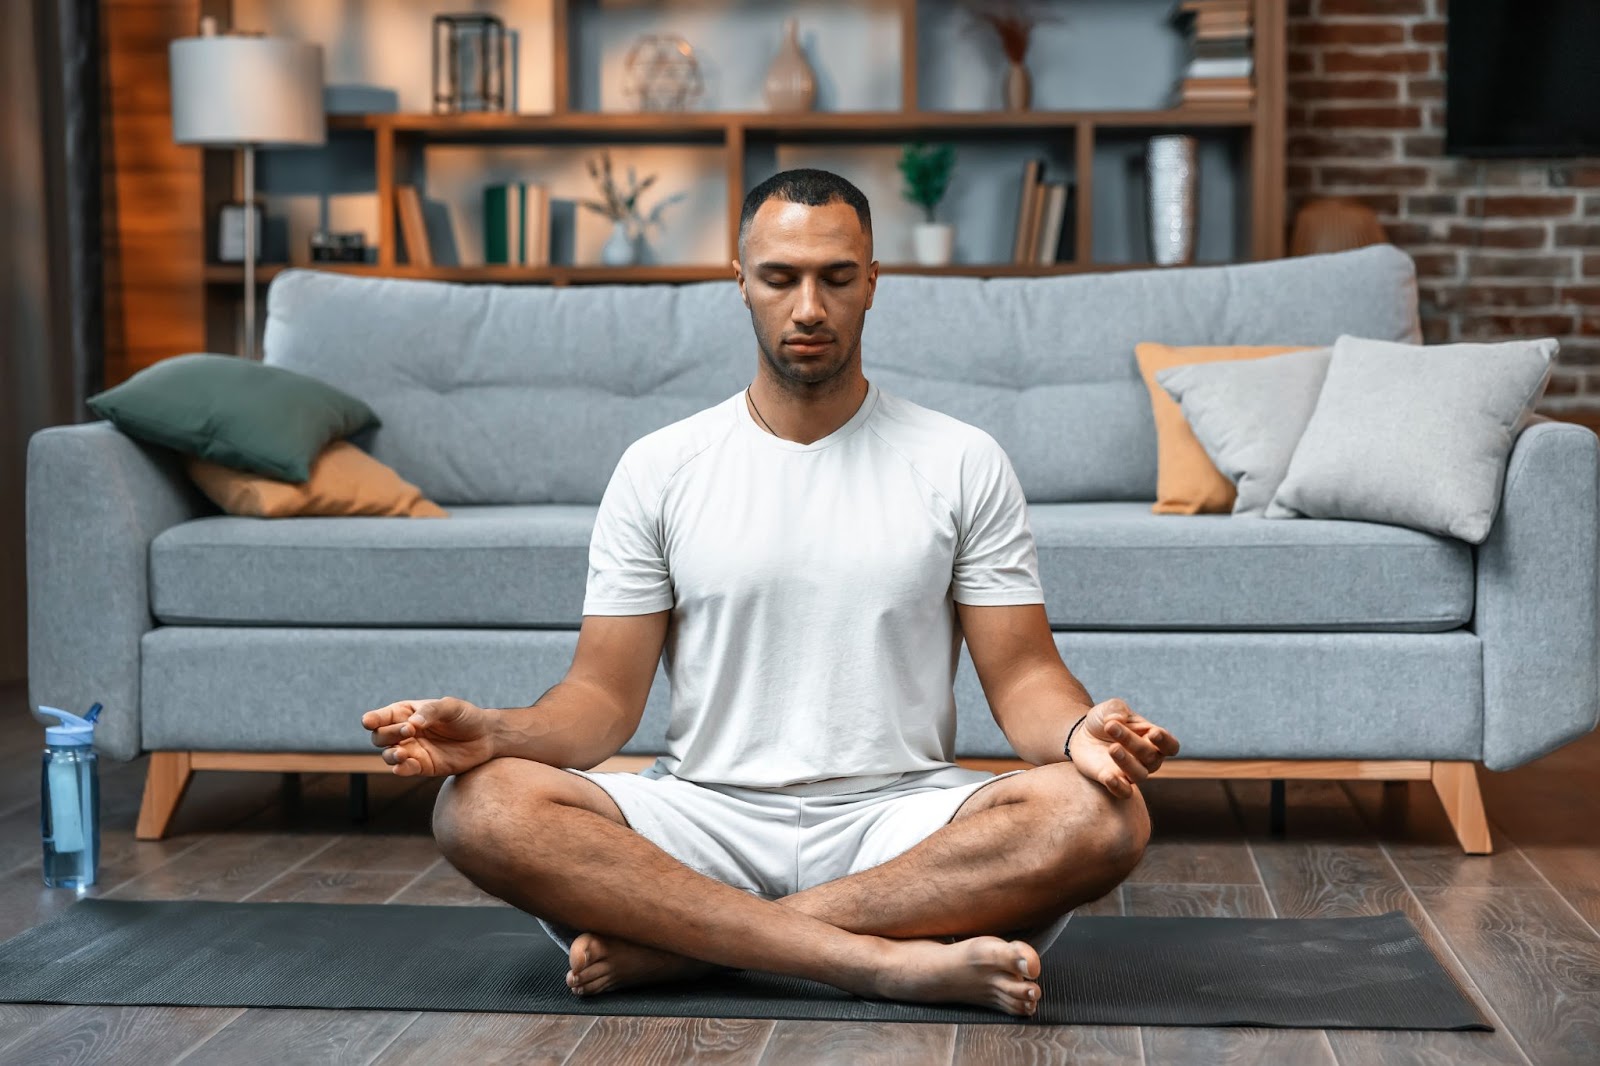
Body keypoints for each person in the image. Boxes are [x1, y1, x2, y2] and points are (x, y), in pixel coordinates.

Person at [360, 168, 1180, 1018]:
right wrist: (494, 732)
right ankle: (881, 965)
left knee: (1106, 817)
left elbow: (1022, 682)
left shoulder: (960, 460)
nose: (809, 307)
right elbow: (601, 701)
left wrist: (1083, 730)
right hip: (701, 813)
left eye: (835, 277)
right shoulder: (660, 467)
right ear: (742, 282)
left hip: (899, 822)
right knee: (480, 808)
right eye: (781, 278)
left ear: (872, 283)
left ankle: (686, 949)